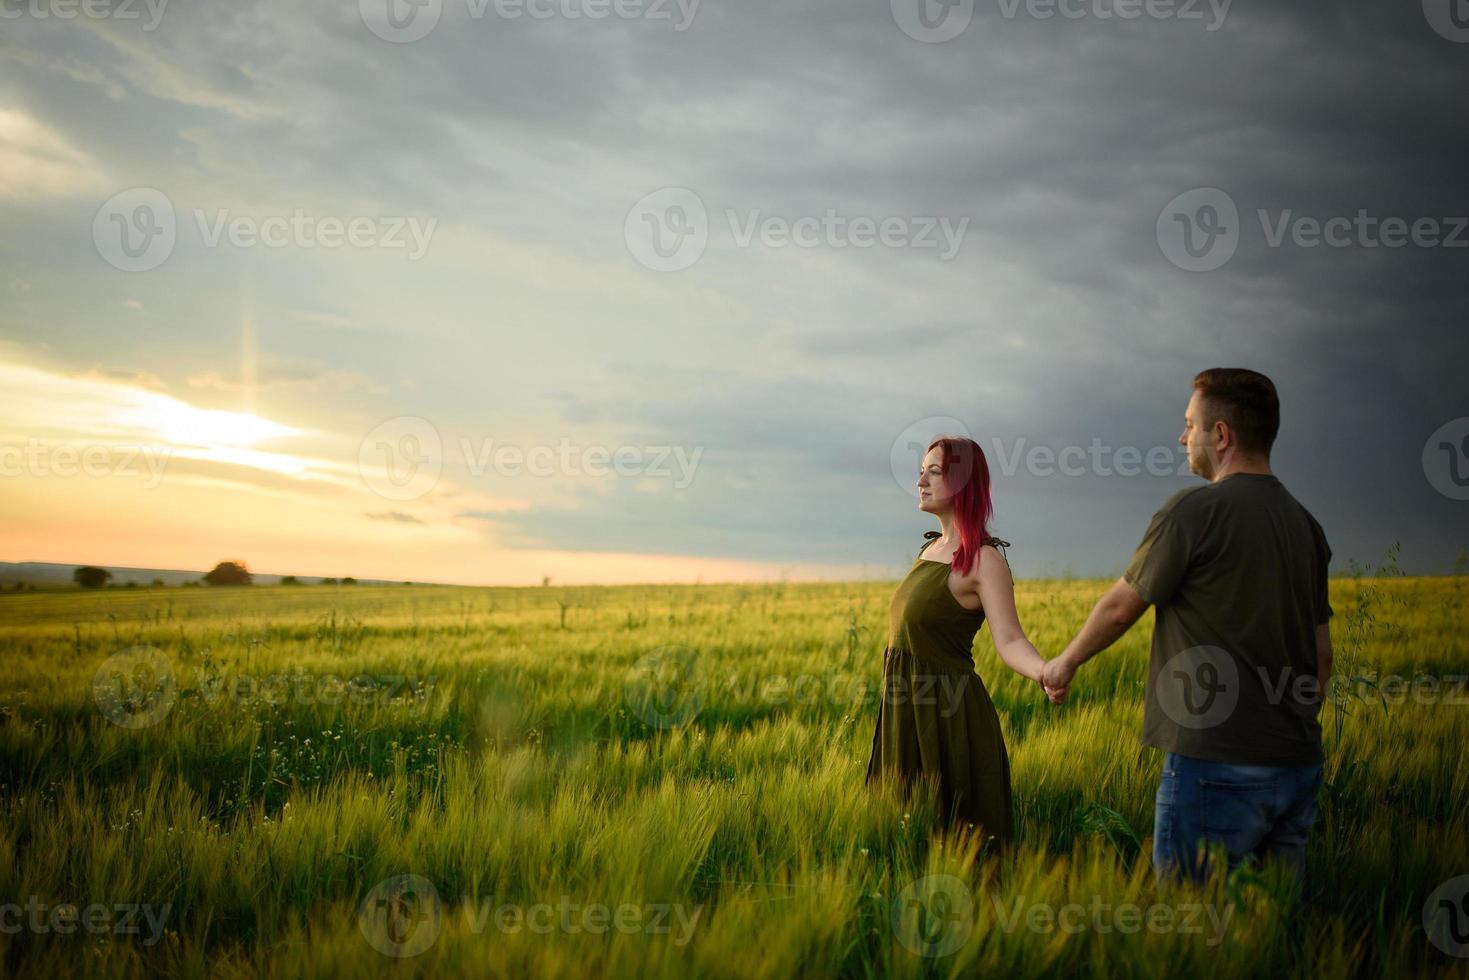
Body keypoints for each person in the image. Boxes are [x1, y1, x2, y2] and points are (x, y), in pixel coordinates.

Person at [1041, 368, 1333, 892]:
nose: (1182, 438)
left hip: (1213, 760)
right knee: (1274, 931)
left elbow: (1119, 610)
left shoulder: (1194, 512)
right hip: (1297, 764)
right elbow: (1322, 656)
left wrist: (1064, 663)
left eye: (1190, 424)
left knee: (1191, 925)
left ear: (1221, 435)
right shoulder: (1305, 525)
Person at [866, 435, 1060, 846]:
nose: (920, 480)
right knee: (902, 838)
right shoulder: (930, 550)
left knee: (955, 841)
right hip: (905, 714)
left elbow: (1009, 641)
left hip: (948, 719)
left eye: (933, 472)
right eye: (921, 470)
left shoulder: (983, 560)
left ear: (963, 482)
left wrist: (1043, 671)